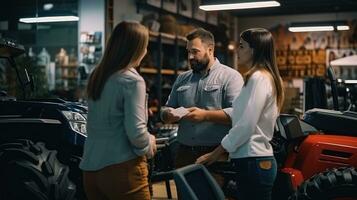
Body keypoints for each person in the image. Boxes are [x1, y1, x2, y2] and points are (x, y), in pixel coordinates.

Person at [197, 28, 285, 200]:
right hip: (255, 161)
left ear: (254, 50)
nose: (237, 50)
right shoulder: (267, 77)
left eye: (242, 46)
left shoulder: (258, 78)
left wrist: (216, 153)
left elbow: (246, 125)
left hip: (253, 161)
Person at [79, 21, 156, 200]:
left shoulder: (97, 76)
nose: (146, 52)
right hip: (122, 169)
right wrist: (149, 144)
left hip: (91, 171)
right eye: (145, 46)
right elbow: (136, 134)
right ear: (136, 49)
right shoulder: (132, 81)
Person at [161, 28, 244, 171]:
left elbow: (238, 114)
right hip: (184, 153)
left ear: (210, 50)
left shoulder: (231, 77)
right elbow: (166, 108)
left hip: (216, 154)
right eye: (188, 52)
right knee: (185, 193)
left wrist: (205, 115)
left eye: (195, 51)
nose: (190, 57)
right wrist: (167, 114)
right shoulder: (182, 79)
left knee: (210, 193)